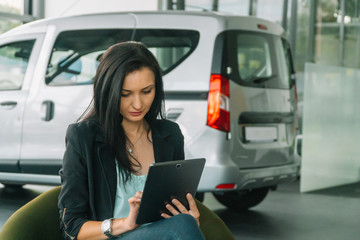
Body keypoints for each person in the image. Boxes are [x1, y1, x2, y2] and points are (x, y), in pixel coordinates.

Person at [58, 41, 205, 240]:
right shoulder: (83, 138)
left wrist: (190, 218)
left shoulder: (169, 135)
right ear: (107, 91)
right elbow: (72, 227)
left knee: (184, 223)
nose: (137, 104)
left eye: (147, 91)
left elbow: (175, 210)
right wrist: (125, 224)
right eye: (125, 94)